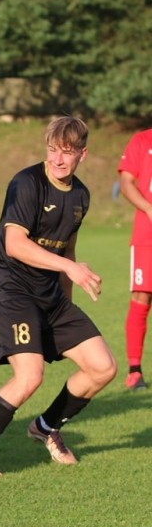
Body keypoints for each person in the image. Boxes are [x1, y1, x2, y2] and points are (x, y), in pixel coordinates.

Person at [0, 116, 117, 477]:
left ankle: (45, 427)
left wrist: (67, 297)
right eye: (53, 150)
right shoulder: (27, 183)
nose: (58, 159)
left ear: (83, 154)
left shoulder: (81, 195)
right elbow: (14, 244)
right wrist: (70, 268)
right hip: (14, 289)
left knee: (102, 367)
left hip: (52, 295)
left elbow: (67, 248)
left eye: (67, 152)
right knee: (29, 376)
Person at [116, 128, 152, 391]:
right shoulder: (142, 140)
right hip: (147, 235)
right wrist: (149, 208)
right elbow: (126, 182)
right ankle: (134, 372)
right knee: (141, 297)